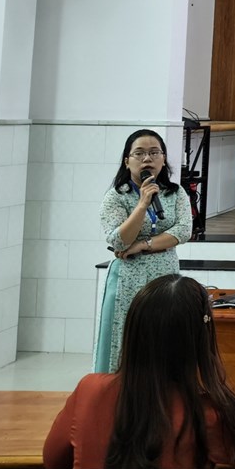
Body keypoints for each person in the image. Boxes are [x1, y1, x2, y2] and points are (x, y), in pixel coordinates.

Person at [44, 275, 235, 469]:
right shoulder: (206, 415)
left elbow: (53, 459)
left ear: (133, 331)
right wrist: (228, 407)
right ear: (200, 341)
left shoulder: (90, 388)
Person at [94, 129, 193, 373]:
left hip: (166, 276)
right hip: (128, 278)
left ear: (163, 159)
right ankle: (120, 390)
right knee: (127, 339)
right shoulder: (116, 197)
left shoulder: (175, 193)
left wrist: (142, 245)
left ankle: (163, 388)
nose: (147, 158)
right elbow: (119, 241)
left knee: (164, 337)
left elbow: (183, 231)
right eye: (139, 153)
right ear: (127, 161)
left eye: (154, 152)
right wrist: (141, 205)